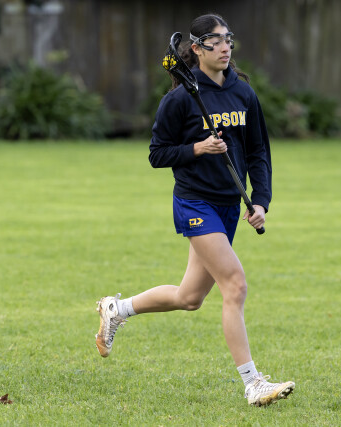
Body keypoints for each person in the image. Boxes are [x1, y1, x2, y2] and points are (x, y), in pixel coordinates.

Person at [94, 13, 295, 406]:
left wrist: (261, 200)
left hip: (229, 204)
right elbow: (157, 154)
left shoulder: (243, 93)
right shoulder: (179, 99)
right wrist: (198, 148)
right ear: (198, 48)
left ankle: (117, 309)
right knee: (235, 285)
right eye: (215, 41)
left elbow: (258, 152)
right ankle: (253, 383)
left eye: (228, 39)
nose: (225, 47)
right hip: (194, 202)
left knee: (189, 297)